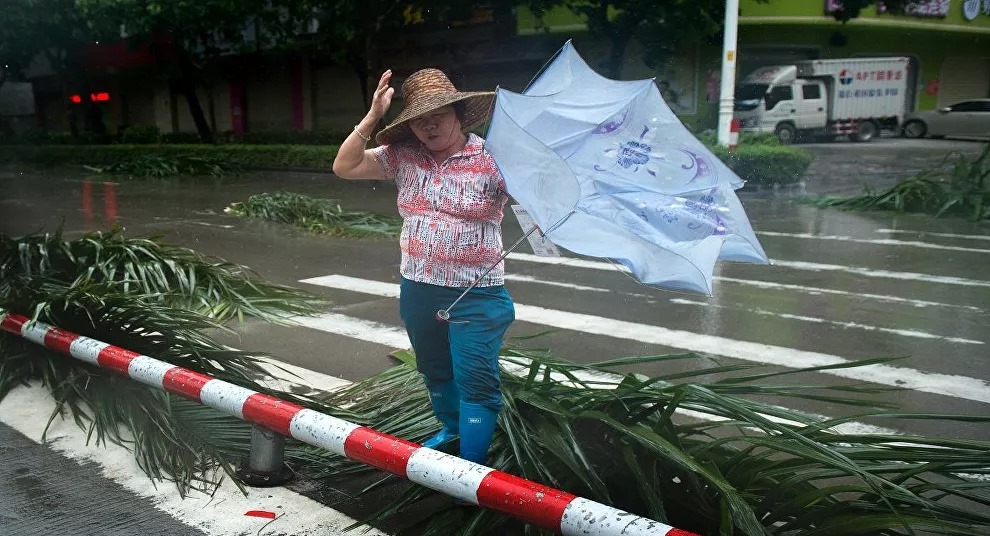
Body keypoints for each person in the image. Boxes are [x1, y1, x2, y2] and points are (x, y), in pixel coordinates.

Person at [332, 68, 515, 465]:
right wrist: (371, 117)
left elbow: (537, 195)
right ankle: (451, 428)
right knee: (435, 370)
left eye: (438, 114)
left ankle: (470, 467)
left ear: (458, 113)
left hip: (477, 294)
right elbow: (344, 167)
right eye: (418, 117)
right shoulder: (403, 157)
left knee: (476, 379)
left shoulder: (493, 158)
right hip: (419, 288)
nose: (429, 125)